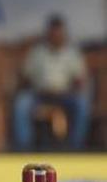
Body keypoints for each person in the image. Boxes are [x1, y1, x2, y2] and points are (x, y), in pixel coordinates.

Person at [13, 15, 90, 151]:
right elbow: (26, 77)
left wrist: (74, 89)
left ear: (64, 33)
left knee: (82, 104)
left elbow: (80, 80)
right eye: (53, 33)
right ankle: (24, 147)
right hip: (40, 95)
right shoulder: (37, 52)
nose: (56, 36)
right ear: (48, 33)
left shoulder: (72, 53)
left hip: (65, 95)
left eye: (59, 33)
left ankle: (75, 147)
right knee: (21, 103)